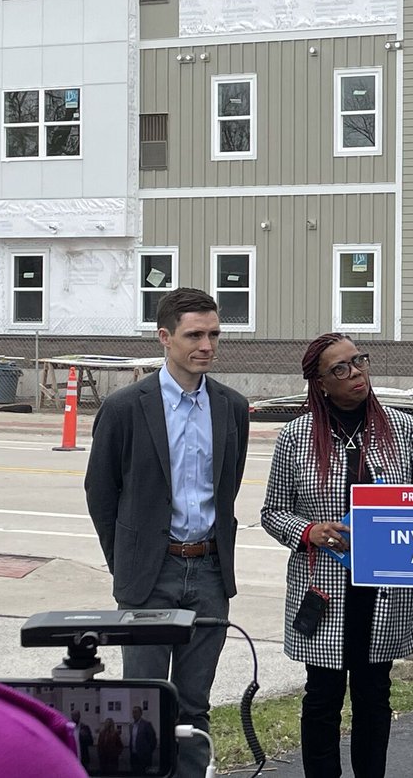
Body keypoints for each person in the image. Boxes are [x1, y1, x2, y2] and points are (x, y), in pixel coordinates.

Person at [84, 287, 249, 778]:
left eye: (214, 334)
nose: (207, 345)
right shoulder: (124, 408)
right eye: (194, 334)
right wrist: (128, 564)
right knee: (143, 704)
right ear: (165, 338)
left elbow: (228, 485)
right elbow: (101, 494)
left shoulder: (231, 407)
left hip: (210, 574)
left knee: (194, 706)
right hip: (151, 576)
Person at [262, 333, 413, 778]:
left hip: (384, 588)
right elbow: (273, 512)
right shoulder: (296, 437)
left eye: (359, 361)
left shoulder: (402, 429)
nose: (356, 373)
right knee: (322, 697)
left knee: (375, 695)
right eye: (341, 368)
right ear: (319, 383)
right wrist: (309, 530)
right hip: (325, 590)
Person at [0, 680, 87, 778]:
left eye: (77, 715)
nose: (76, 717)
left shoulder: (82, 727)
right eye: (74, 715)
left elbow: (89, 741)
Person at [129, 706, 157, 774]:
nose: (134, 714)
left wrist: (148, 752)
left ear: (141, 713)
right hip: (133, 756)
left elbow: (153, 740)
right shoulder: (131, 726)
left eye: (136, 712)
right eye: (133, 712)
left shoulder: (146, 724)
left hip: (144, 757)